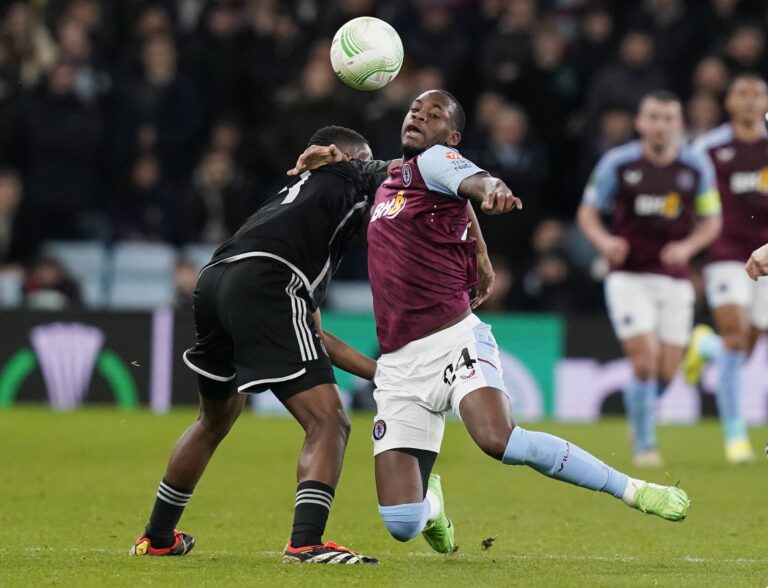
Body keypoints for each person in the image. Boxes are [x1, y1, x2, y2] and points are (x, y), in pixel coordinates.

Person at [295, 90, 692, 557]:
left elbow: (474, 182)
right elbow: (394, 177)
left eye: (434, 114)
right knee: (401, 521)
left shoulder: (440, 160)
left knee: (497, 438)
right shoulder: (390, 180)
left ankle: (632, 488)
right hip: (400, 363)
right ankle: (433, 507)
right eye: (414, 110)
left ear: (453, 136)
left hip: (453, 339)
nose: (419, 116)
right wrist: (479, 250)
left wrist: (493, 190)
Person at [130, 126, 391, 565]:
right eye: (361, 159)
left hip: (217, 279)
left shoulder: (297, 213)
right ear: (341, 156)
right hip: (267, 281)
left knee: (214, 419)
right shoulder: (347, 176)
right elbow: (412, 170)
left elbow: (316, 337)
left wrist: (385, 376)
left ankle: (156, 537)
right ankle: (306, 544)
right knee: (329, 422)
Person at [577, 90, 722, 467]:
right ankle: (645, 445)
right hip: (628, 277)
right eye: (653, 118)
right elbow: (588, 213)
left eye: (668, 118)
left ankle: (638, 407)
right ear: (641, 123)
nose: (660, 126)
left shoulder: (695, 167)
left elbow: (711, 220)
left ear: (679, 124)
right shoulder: (619, 163)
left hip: (675, 278)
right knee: (644, 361)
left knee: (667, 370)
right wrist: (605, 240)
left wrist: (688, 248)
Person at [683, 74, 768, 464]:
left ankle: (705, 346)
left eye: (757, 95)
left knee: (748, 343)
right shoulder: (710, 148)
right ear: (729, 102)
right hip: (726, 255)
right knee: (736, 338)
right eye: (742, 94)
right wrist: (695, 255)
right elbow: (687, 200)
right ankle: (736, 438)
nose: (750, 101)